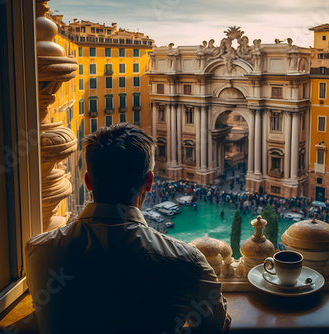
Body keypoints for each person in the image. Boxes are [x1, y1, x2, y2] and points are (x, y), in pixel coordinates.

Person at [25, 123, 231, 334]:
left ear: (88, 181)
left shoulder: (39, 250)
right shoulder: (187, 261)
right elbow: (216, 326)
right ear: (149, 182)